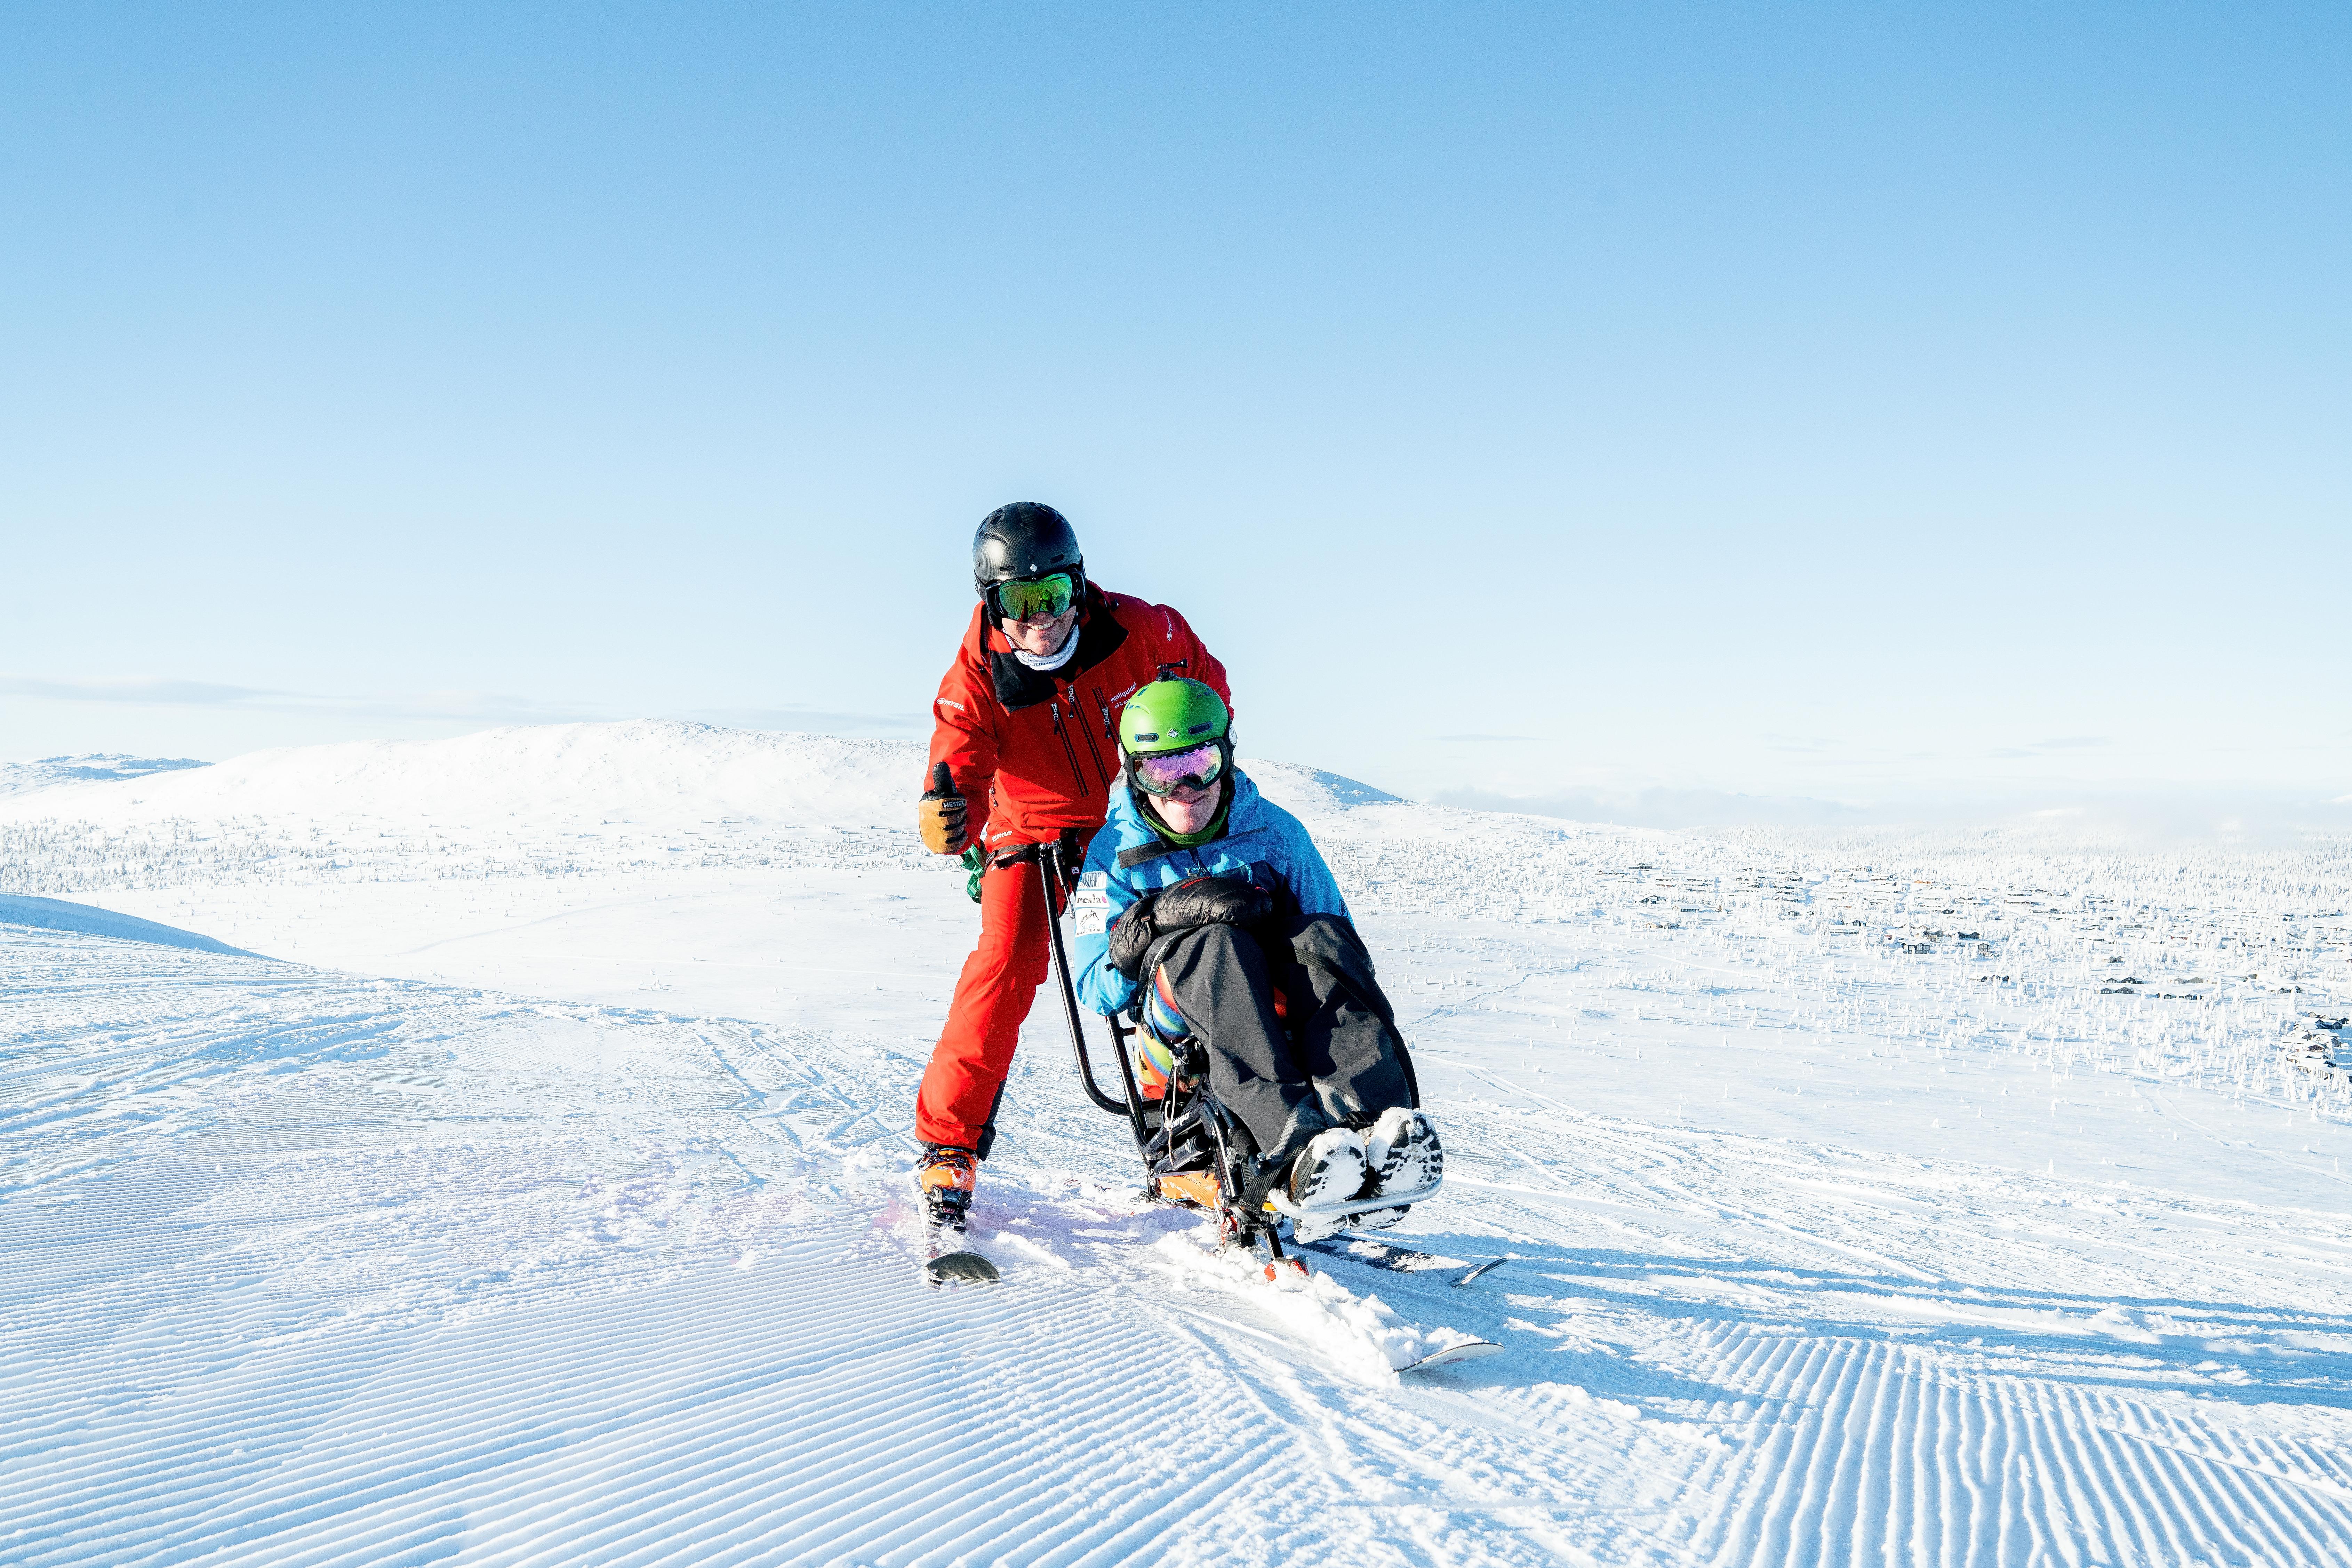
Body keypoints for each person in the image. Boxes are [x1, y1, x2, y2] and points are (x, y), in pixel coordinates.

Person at [912, 503, 1229, 1239]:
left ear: (1078, 586)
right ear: (991, 605)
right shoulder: (977, 676)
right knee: (1006, 958)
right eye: (1017, 603)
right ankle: (948, 1148)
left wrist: (1187, 773)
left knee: (1176, 944)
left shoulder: (1143, 630)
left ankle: (1180, 1136)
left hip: (1129, 823)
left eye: (1051, 595)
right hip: (1031, 833)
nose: (1039, 619)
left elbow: (1205, 686)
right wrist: (948, 813)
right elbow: (955, 763)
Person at [1069, 678, 1441, 1242]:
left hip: (1278, 1012)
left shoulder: (1277, 833)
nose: (1185, 786)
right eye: (1161, 772)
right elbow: (1096, 990)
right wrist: (1155, 920)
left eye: (1198, 760)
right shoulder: (1107, 856)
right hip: (1173, 1050)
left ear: (1226, 756)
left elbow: (1339, 947)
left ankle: (1374, 1130)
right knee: (1212, 943)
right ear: (1133, 773)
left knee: (1323, 938)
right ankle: (1291, 1143)